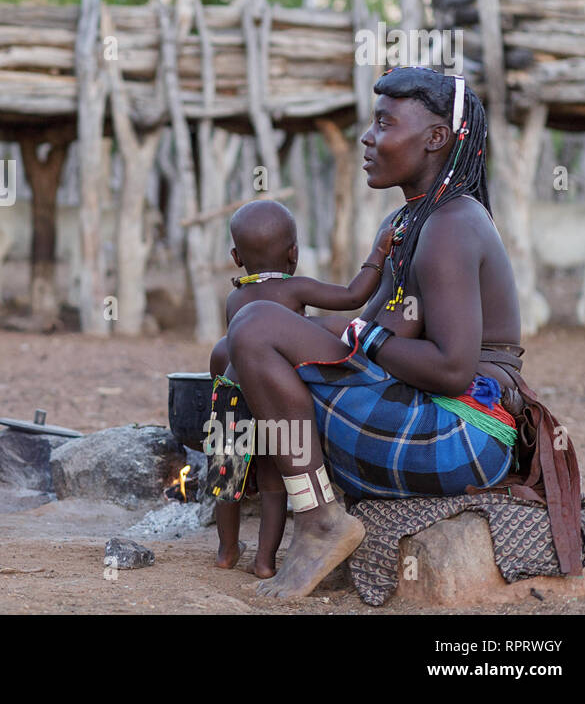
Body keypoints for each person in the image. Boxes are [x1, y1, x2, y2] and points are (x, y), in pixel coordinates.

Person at [226, 68, 562, 598]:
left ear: (435, 139)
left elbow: (451, 370)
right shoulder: (413, 221)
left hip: (463, 433)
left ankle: (317, 519)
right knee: (244, 341)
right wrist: (316, 336)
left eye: (384, 123)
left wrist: (366, 337)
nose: (367, 137)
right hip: (432, 414)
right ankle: (311, 511)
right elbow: (371, 326)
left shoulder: (451, 225)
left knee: (255, 333)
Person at [207, 200, 393, 578]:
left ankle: (226, 552)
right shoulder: (296, 288)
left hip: (230, 395)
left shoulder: (235, 296)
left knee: (225, 479)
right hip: (271, 399)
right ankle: (264, 561)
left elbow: (229, 349)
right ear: (293, 253)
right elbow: (354, 297)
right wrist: (379, 255)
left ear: (236, 256)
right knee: (275, 483)